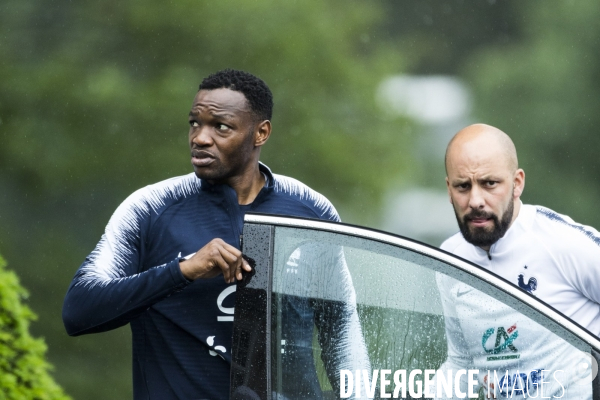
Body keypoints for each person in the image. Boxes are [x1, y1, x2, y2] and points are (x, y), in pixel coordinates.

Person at [62, 69, 368, 399]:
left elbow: (341, 328)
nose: (200, 138)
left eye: (220, 126)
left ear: (260, 133)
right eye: (195, 123)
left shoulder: (311, 211)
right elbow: (80, 311)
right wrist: (182, 271)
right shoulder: (150, 208)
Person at [433, 123, 600, 398]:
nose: (475, 200)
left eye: (490, 184)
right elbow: (461, 365)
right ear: (449, 190)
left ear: (517, 183)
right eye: (463, 186)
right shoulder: (450, 260)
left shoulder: (563, 243)